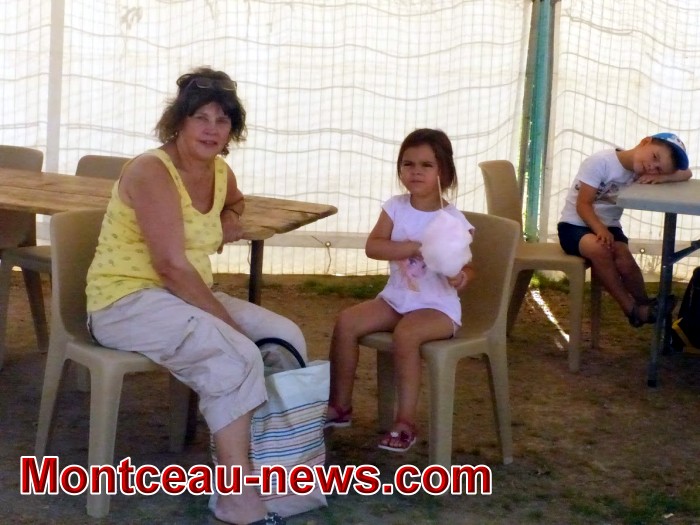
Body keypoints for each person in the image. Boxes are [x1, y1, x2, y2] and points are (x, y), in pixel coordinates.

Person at [85, 67, 301, 525]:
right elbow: (170, 266)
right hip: (125, 301)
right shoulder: (151, 170)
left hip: (181, 295)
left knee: (287, 336)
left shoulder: (220, 171)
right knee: (234, 351)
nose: (211, 129)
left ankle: (276, 466)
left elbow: (235, 200)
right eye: (200, 117)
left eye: (222, 120)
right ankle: (235, 496)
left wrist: (230, 218)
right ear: (178, 121)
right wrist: (228, 323)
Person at [325, 128, 474, 453]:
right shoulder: (395, 207)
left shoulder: (452, 220)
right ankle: (340, 405)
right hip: (396, 299)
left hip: (437, 308)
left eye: (426, 165)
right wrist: (413, 247)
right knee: (347, 321)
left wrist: (461, 277)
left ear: (445, 172)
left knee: (406, 334)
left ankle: (405, 421)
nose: (416, 171)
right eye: (408, 164)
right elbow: (373, 247)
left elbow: (468, 267)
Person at [557, 132, 692, 327]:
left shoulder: (640, 172)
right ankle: (631, 310)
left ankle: (645, 304)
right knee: (600, 248)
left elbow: (687, 173)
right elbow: (583, 205)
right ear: (645, 141)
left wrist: (663, 178)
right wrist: (599, 229)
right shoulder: (601, 162)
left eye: (658, 168)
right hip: (574, 225)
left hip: (610, 227)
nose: (652, 167)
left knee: (624, 256)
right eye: (654, 157)